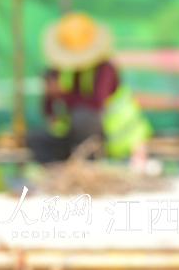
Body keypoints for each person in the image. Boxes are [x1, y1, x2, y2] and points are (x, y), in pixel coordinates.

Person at [27, 12, 151, 163]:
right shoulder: (62, 69)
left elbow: (96, 103)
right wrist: (50, 93)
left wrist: (62, 94)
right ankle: (57, 173)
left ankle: (90, 164)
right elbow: (49, 113)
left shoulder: (105, 69)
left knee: (82, 117)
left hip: (112, 139)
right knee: (35, 139)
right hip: (74, 135)